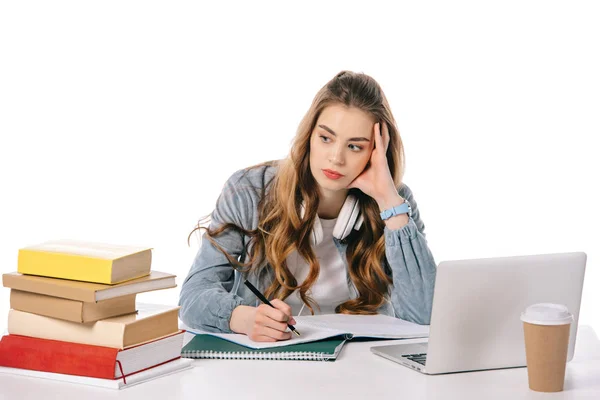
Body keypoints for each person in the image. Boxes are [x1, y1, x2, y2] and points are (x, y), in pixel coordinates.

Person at [179, 70, 437, 342]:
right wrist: (243, 318)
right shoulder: (250, 191)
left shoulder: (395, 204)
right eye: (326, 138)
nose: (336, 158)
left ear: (377, 152)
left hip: (360, 362)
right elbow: (193, 296)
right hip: (269, 359)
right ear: (309, 136)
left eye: (355, 147)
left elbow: (425, 315)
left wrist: (388, 201)